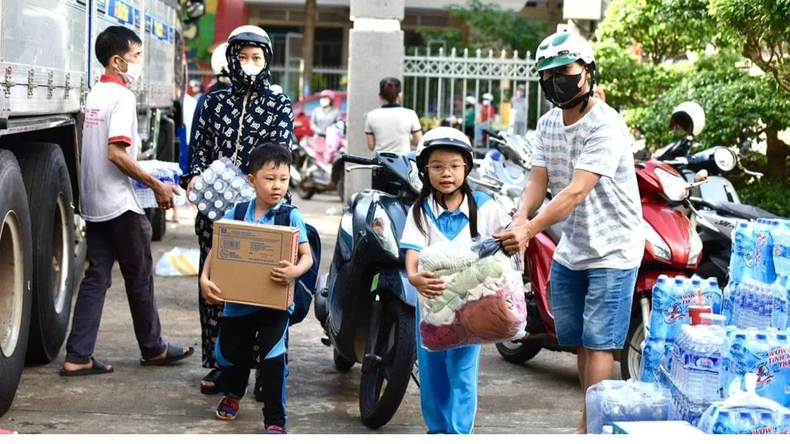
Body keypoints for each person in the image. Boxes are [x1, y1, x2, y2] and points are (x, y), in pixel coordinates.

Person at [494, 32, 643, 434]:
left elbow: (576, 191)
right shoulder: (546, 124)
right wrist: (520, 216)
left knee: (598, 343)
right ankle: (592, 418)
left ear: (587, 72)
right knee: (578, 339)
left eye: (564, 72)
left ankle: (589, 427)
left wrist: (528, 230)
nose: (555, 81)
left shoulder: (606, 125)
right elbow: (538, 181)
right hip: (572, 246)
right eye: (547, 75)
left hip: (613, 248)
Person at [60, 26, 194, 376]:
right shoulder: (121, 97)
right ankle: (153, 348)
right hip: (120, 203)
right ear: (117, 61)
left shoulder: (95, 94)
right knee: (140, 275)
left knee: (97, 275)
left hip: (95, 201)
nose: (138, 64)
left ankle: (78, 355)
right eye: (135, 57)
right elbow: (117, 153)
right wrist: (156, 185)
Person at [181, 25, 294, 395]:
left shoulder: (278, 103)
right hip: (216, 213)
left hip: (264, 210)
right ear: (231, 59)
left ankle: (265, 367)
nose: (249, 64)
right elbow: (198, 149)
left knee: (267, 288)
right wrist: (194, 179)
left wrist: (262, 186)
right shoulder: (212, 102)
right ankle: (221, 364)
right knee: (217, 288)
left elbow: (281, 157)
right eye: (242, 57)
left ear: (267, 61)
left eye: (256, 58)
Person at [401, 127, 511, 434]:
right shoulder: (421, 211)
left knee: (462, 374)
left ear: (467, 168)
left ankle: (459, 433)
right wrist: (414, 277)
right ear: (425, 170)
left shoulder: (485, 207)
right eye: (436, 166)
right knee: (433, 375)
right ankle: (436, 430)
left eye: (454, 166)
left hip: (472, 312)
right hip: (432, 311)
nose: (445, 173)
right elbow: (412, 250)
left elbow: (510, 237)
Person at [199, 143, 312, 434]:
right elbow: (218, 249)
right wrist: (204, 278)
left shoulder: (290, 216)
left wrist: (294, 271)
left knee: (273, 360)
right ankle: (234, 393)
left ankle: (275, 419)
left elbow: (307, 256)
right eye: (270, 178)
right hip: (238, 303)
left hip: (275, 305)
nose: (278, 186)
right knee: (230, 355)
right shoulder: (236, 214)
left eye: (284, 179)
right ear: (252, 180)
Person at [364, 77, 422, 193]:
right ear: (400, 95)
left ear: (380, 96)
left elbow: (371, 145)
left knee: (381, 203)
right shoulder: (410, 114)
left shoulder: (371, 116)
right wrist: (406, 137)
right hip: (403, 168)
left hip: (380, 167)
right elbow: (418, 141)